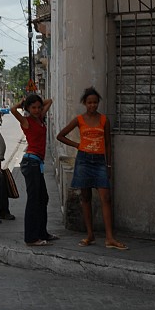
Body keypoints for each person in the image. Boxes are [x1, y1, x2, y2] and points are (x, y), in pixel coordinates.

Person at [56, 87, 128, 250]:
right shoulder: (79, 120)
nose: (93, 105)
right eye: (89, 103)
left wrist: (108, 165)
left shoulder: (104, 120)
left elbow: (108, 144)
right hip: (83, 161)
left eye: (95, 102)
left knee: (106, 198)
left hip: (100, 162)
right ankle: (90, 235)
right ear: (84, 103)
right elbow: (60, 135)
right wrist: (77, 145)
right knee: (86, 198)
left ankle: (109, 237)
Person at [11, 94, 57, 246]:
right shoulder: (27, 121)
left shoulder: (40, 118)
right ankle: (31, 237)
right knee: (33, 200)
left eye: (38, 107)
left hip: (38, 163)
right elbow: (12, 109)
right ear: (28, 109)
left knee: (43, 198)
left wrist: (36, 102)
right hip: (31, 163)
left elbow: (49, 101)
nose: (37, 110)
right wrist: (23, 102)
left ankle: (42, 232)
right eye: (33, 108)